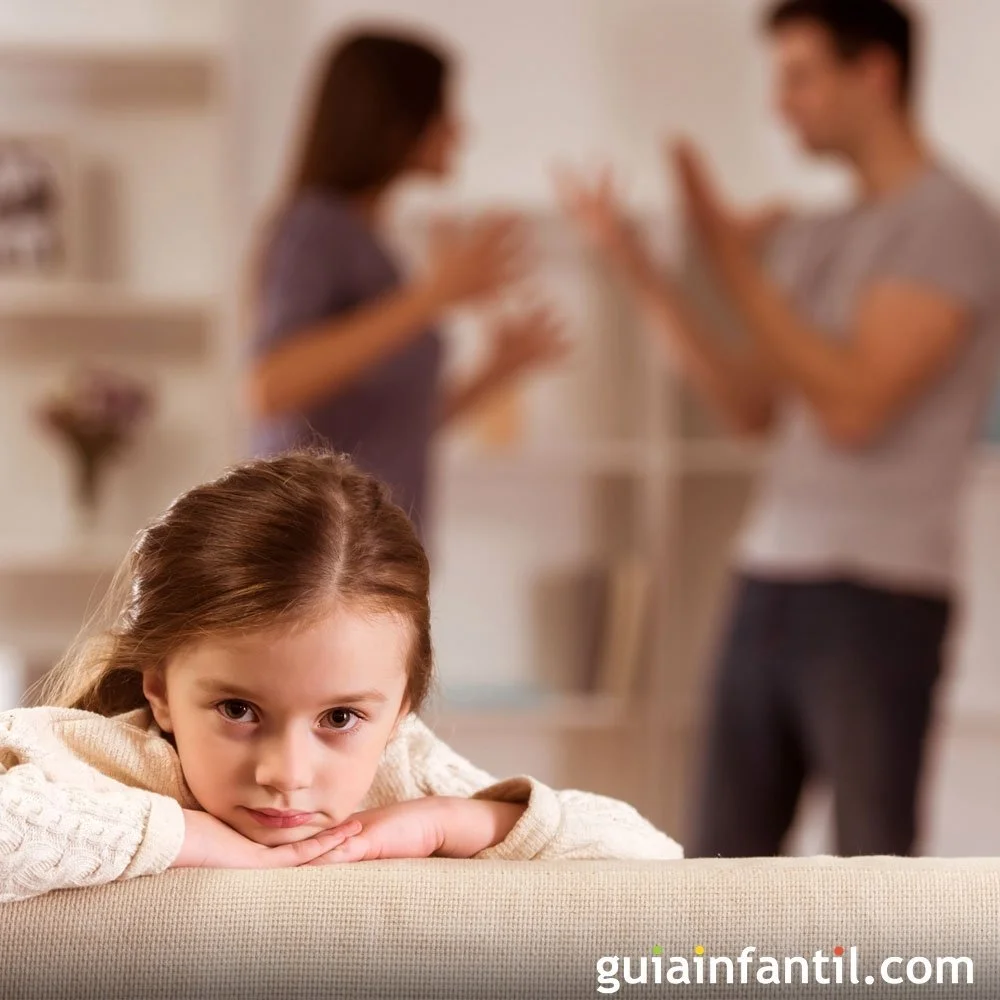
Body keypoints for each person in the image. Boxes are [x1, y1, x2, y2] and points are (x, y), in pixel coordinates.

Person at [558, 0, 1000, 857]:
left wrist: (733, 261)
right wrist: (639, 268)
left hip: (880, 592)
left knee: (871, 874)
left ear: (875, 72)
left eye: (799, 76)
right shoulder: (815, 235)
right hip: (766, 577)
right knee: (723, 862)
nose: (779, 104)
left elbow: (855, 408)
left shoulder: (950, 222)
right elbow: (748, 404)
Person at [0, 450, 681, 903]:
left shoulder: (402, 774)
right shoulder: (90, 759)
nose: (287, 774)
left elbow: (652, 860)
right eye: (238, 709)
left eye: (340, 719)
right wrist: (191, 837)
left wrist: (453, 822)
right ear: (159, 689)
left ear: (400, 710)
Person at [248, 29, 567, 537]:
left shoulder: (370, 245)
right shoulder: (314, 229)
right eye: (444, 112)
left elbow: (390, 427)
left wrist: (495, 372)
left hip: (365, 560)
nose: (460, 131)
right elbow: (270, 385)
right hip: (315, 562)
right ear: (396, 122)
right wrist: (432, 297)